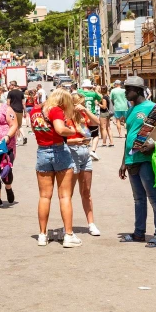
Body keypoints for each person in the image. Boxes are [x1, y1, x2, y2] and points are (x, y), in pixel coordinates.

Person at [119, 76, 156, 246]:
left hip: (146, 160)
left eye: (129, 89)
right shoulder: (129, 110)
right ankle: (139, 233)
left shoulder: (151, 108)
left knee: (154, 197)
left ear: (139, 90)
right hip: (131, 159)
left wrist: (154, 144)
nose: (126, 92)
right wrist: (123, 162)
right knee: (138, 199)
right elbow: (129, 137)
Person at [29, 89, 80, 248]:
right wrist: (72, 131)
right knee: (64, 196)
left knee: (44, 196)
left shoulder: (36, 110)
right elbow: (59, 129)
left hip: (42, 151)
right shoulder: (55, 110)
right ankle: (69, 235)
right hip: (59, 151)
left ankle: (42, 235)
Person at [69, 93, 102, 237]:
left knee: (86, 191)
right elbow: (61, 140)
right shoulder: (66, 117)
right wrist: (75, 141)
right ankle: (68, 227)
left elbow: (97, 123)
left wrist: (86, 110)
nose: (81, 106)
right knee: (67, 194)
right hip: (71, 153)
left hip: (84, 153)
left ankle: (91, 224)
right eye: (80, 103)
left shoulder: (84, 116)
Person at [78, 80, 104, 161]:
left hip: (82, 115)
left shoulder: (79, 92)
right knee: (95, 134)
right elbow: (101, 98)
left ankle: (83, 150)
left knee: (84, 133)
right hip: (91, 114)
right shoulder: (93, 94)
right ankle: (93, 150)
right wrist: (95, 90)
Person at [6, 81, 27, 145]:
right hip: (20, 110)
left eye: (10, 85)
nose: (9, 86)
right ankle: (24, 136)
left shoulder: (10, 93)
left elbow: (8, 103)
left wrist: (7, 111)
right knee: (19, 125)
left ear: (13, 85)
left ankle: (16, 142)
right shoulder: (21, 93)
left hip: (13, 111)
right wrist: (25, 112)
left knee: (13, 125)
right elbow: (23, 103)